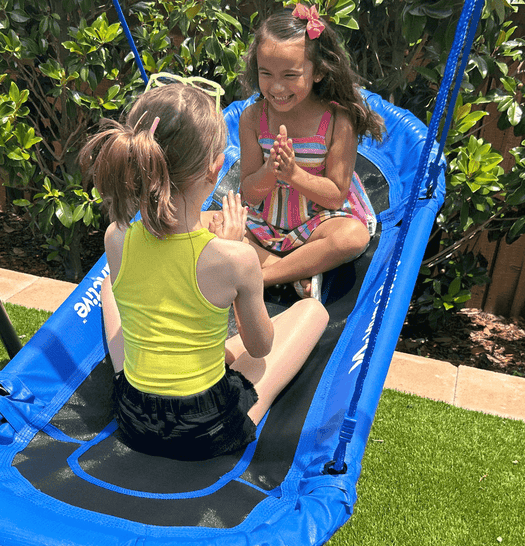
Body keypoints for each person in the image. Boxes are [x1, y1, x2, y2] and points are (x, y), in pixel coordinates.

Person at [80, 81, 328, 461]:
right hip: (204, 429)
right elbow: (261, 347)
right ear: (215, 170)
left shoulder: (116, 237)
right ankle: (218, 357)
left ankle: (190, 361)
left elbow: (163, 283)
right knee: (313, 312)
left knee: (110, 288)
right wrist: (235, 248)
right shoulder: (233, 260)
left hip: (134, 417)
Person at [238, 4, 385, 299]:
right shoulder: (253, 118)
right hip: (266, 222)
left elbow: (335, 195)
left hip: (316, 222)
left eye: (290, 75)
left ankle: (262, 277)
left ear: (317, 72)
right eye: (266, 73)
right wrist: (270, 172)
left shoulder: (337, 121)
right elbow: (249, 195)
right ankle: (296, 271)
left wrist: (293, 173)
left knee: (352, 238)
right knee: (213, 225)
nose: (277, 87)